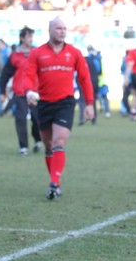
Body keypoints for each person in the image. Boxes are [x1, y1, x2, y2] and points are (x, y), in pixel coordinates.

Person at [24, 17, 94, 200]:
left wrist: (89, 104)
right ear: (50, 30)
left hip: (65, 103)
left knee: (59, 143)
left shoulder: (74, 53)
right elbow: (28, 75)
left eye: (64, 28)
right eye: (58, 28)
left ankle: (54, 183)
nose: (62, 31)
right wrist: (30, 91)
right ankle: (57, 182)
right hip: (44, 104)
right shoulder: (37, 53)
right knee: (48, 146)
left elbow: (85, 78)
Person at [0, 26, 42, 156]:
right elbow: (5, 74)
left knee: (36, 119)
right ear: (22, 38)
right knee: (20, 119)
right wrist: (2, 92)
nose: (31, 39)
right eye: (28, 36)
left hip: (35, 92)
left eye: (32, 36)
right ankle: (23, 146)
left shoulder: (37, 53)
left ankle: (38, 139)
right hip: (20, 92)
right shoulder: (15, 56)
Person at [77, 45, 101, 125]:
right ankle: (93, 118)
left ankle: (82, 118)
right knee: (92, 100)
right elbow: (99, 70)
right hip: (94, 82)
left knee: (82, 100)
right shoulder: (96, 59)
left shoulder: (83, 59)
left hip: (83, 81)